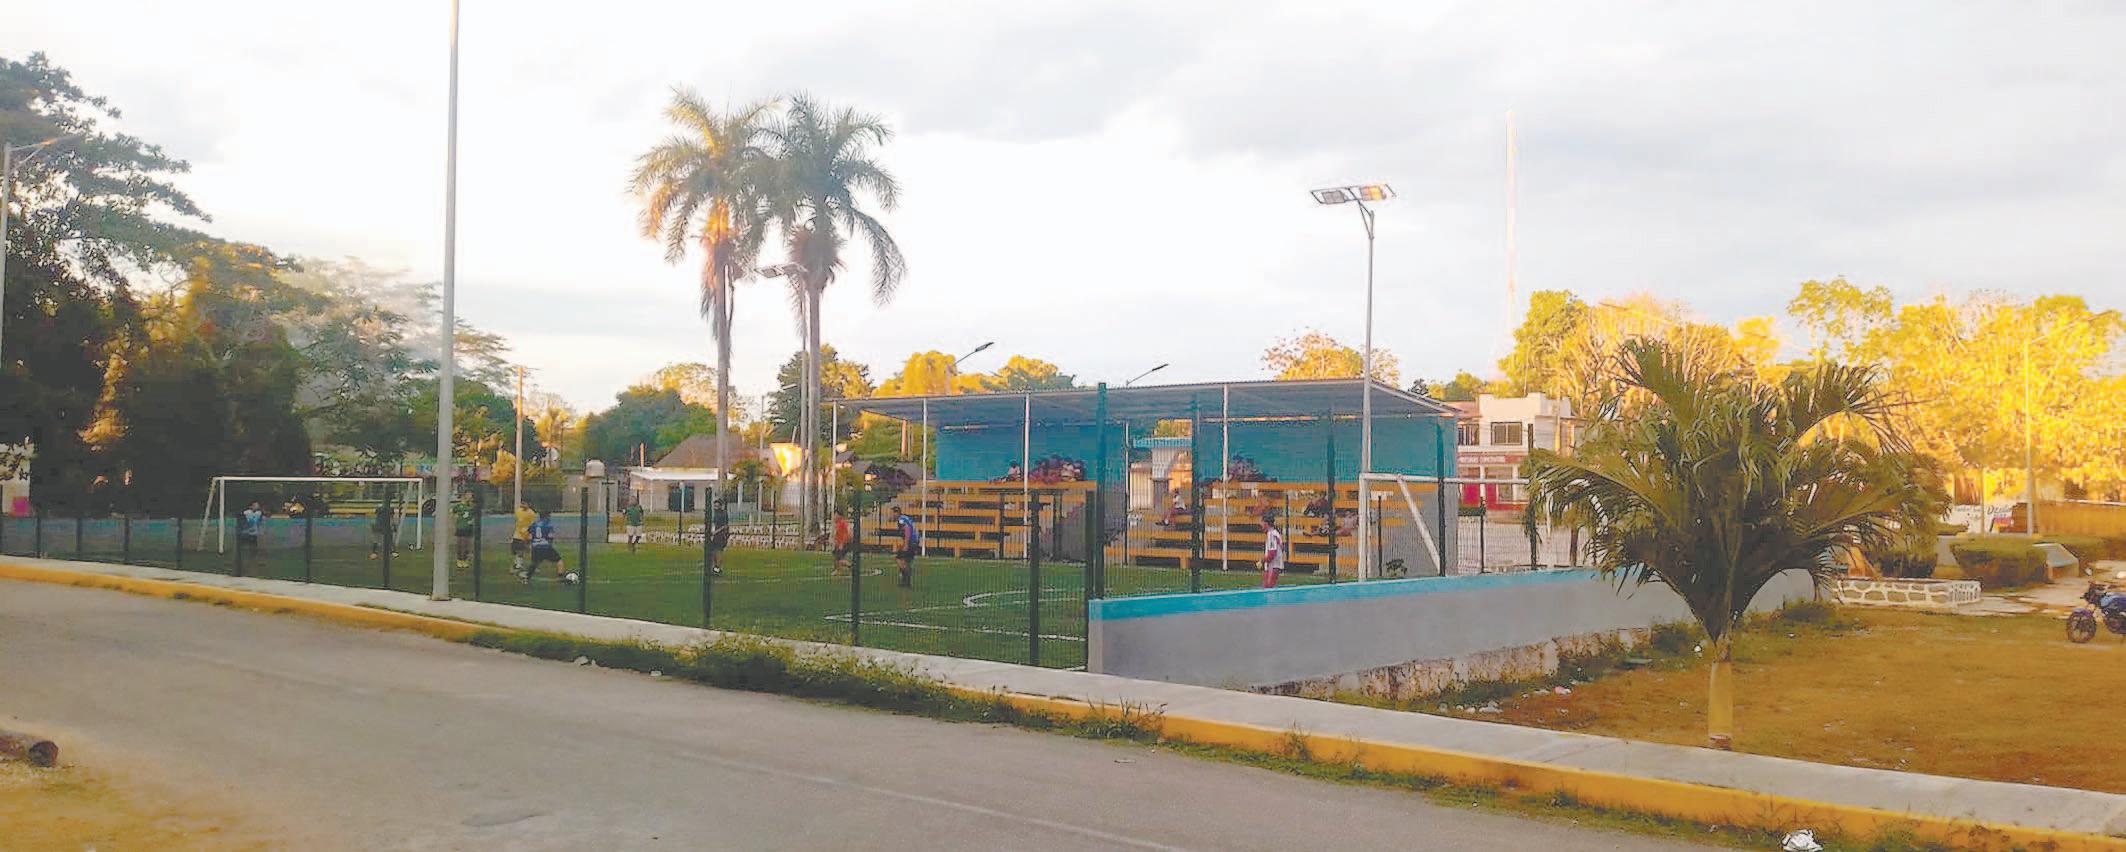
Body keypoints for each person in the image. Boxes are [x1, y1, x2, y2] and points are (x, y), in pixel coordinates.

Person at [527, 509, 567, 582]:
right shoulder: (548, 525)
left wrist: (531, 545)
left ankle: (527, 577)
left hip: (535, 546)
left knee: (535, 562)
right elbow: (550, 537)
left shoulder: (534, 524)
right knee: (559, 560)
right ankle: (561, 576)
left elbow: (529, 537)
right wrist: (549, 544)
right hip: (545, 546)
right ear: (547, 516)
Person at [891, 504, 919, 588]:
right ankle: (906, 582)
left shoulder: (901, 520)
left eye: (893, 513)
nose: (892, 515)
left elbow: (907, 529)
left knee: (899, 559)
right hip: (915, 541)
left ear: (896, 513)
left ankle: (905, 580)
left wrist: (906, 544)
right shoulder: (906, 518)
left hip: (911, 542)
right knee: (907, 561)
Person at [451, 492, 478, 570]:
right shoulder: (458, 506)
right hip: (460, 527)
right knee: (460, 544)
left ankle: (465, 560)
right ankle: (459, 560)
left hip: (468, 528)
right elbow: (453, 513)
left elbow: (475, 515)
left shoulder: (471, 507)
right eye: (468, 496)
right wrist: (455, 519)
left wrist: (472, 520)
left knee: (467, 545)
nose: (470, 498)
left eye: (471, 496)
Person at [510, 502, 536, 578]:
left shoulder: (531, 513)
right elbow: (517, 520)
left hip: (525, 534)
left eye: (525, 504)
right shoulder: (518, 511)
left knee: (525, 550)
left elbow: (532, 524)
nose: (523, 505)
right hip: (517, 534)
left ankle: (523, 565)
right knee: (515, 550)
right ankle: (518, 564)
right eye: (522, 503)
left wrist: (529, 534)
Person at [1260, 512, 1285, 589]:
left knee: (1268, 588)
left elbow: (1272, 553)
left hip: (1272, 565)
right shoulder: (1275, 533)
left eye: (1262, 522)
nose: (1261, 524)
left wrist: (1262, 560)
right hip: (1275, 565)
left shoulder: (1271, 534)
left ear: (1266, 523)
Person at [707, 497, 730, 575]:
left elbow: (725, 526)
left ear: (720, 506)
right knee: (713, 551)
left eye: (717, 506)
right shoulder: (715, 514)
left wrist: (716, 532)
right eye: (714, 506)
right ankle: (715, 567)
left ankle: (718, 568)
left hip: (721, 535)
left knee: (719, 551)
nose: (715, 507)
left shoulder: (723, 514)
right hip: (715, 535)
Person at [830, 510, 855, 575]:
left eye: (836, 515)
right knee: (836, 558)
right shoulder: (837, 523)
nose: (834, 516)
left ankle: (850, 566)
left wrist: (842, 543)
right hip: (838, 544)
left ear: (839, 516)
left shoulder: (843, 523)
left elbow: (846, 534)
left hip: (843, 543)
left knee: (838, 559)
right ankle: (839, 570)